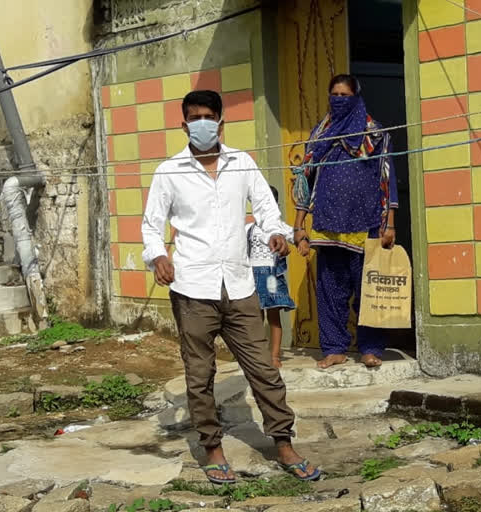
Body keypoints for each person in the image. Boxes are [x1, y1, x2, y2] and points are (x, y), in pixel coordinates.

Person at [142, 90, 320, 484]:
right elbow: (151, 225)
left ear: (221, 123)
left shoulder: (242, 163)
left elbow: (266, 208)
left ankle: (284, 444)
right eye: (194, 117)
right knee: (199, 374)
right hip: (192, 287)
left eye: (208, 116)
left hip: (239, 285)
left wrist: (276, 233)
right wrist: (158, 257)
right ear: (183, 123)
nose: (201, 123)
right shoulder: (168, 172)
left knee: (264, 370)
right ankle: (212, 449)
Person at [292, 74, 398, 370]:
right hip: (327, 224)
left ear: (356, 97)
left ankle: (370, 348)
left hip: (365, 223)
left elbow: (387, 178)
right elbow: (306, 179)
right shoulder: (320, 132)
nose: (339, 100)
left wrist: (390, 222)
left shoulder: (375, 134)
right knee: (330, 290)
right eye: (334, 95)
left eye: (344, 95)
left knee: (367, 289)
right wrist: (299, 226)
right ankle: (334, 348)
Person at [246, 186, 296, 368]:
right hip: (252, 276)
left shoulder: (280, 227)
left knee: (273, 314)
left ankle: (274, 355)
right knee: (255, 317)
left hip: (271, 277)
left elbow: (296, 236)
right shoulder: (249, 228)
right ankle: (257, 355)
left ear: (275, 205)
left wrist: (304, 242)